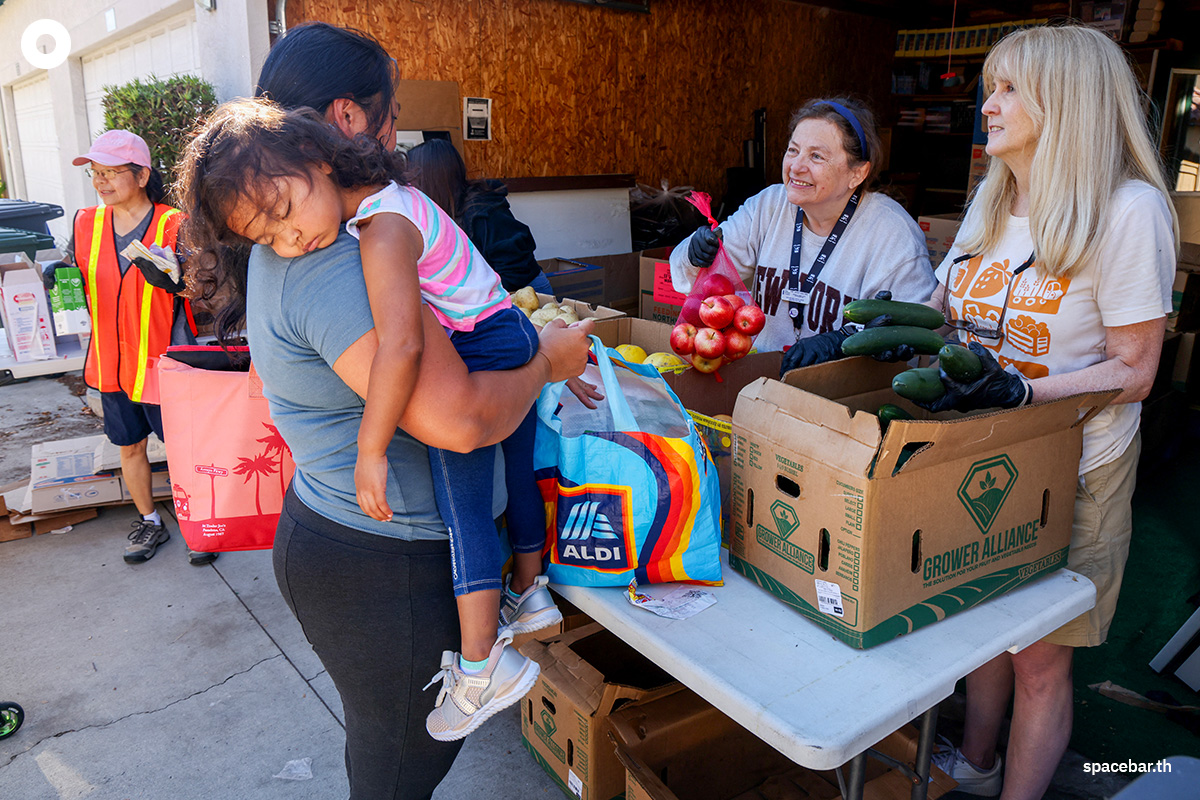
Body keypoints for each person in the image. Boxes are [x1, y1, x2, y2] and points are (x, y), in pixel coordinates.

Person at [177, 104, 594, 800]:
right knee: (397, 766)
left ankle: (523, 601)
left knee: (389, 755)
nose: (290, 239)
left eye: (285, 213)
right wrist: (548, 363)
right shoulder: (349, 250)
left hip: (349, 545)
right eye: (264, 233)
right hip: (381, 564)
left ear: (319, 155)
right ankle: (488, 651)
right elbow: (458, 422)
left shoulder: (363, 229)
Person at [911, 27, 1175, 799]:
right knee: (982, 625)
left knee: (1040, 657)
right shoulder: (996, 201)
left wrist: (1024, 392)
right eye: (991, 86)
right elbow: (940, 307)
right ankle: (981, 759)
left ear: (1068, 102)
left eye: (1008, 89)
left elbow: (1136, 371)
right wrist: (871, 332)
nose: (987, 104)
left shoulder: (1129, 211)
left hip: (1073, 472)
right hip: (981, 461)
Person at [40, 130, 214, 567]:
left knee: (181, 450)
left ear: (141, 175)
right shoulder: (85, 223)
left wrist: (179, 284)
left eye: (111, 173)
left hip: (162, 361)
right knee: (130, 446)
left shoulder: (174, 222)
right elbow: (75, 271)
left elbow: (204, 291)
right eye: (95, 174)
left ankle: (198, 524)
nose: (101, 182)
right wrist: (57, 276)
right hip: (111, 362)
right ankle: (150, 521)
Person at [670, 97, 937, 371]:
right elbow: (696, 282)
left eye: (816, 156)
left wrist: (841, 342)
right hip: (758, 378)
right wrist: (695, 254)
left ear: (857, 173)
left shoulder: (892, 234)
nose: (796, 167)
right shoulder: (769, 205)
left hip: (841, 395)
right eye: (793, 150)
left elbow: (918, 336)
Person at [406, 138, 553, 294]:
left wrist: (472, 296)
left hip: (525, 293)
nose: (408, 184)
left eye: (411, 178)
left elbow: (515, 270)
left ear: (430, 178)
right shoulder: (440, 210)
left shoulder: (483, 210)